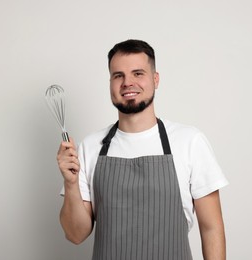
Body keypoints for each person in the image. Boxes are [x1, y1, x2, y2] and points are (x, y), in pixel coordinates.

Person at [57, 39, 229, 260]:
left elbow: (212, 228)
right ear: (110, 82)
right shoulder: (90, 147)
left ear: (155, 79)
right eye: (118, 75)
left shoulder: (190, 141)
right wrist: (70, 184)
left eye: (138, 73)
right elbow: (75, 234)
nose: (128, 82)